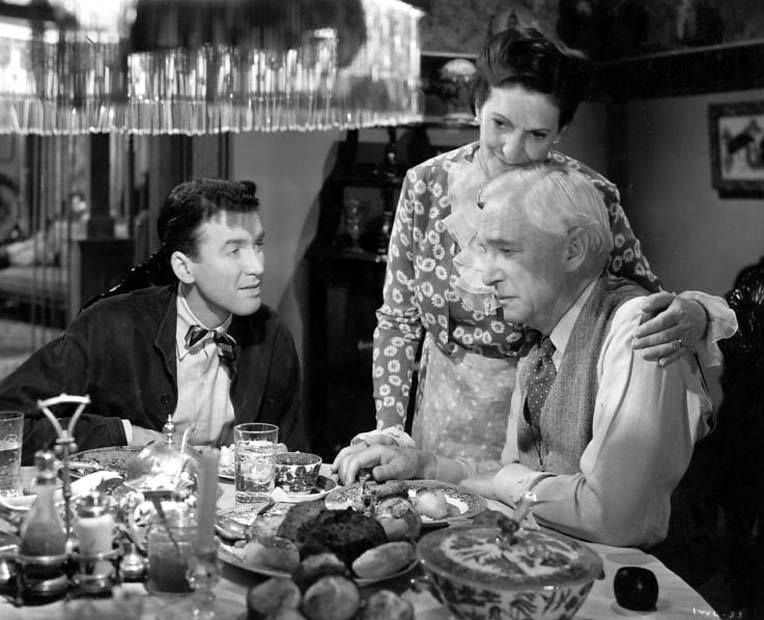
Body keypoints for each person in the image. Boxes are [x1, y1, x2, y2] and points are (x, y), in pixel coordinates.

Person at [333, 26, 735, 480]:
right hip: (442, 409)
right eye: (499, 124)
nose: (511, 150)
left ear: (561, 132)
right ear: (475, 107)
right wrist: (390, 430)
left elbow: (641, 299)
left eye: (537, 134)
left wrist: (698, 315)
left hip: (542, 413)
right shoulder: (425, 185)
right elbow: (399, 321)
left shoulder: (589, 195)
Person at [337, 164, 721, 547]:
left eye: (506, 250)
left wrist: (506, 481)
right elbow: (518, 476)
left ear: (573, 249)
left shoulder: (639, 329)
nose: (486, 276)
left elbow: (612, 517)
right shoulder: (540, 335)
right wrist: (426, 467)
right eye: (485, 251)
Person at [0, 178, 308, 464]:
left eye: (258, 244)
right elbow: (7, 424)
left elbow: (292, 453)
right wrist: (124, 435)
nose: (257, 266)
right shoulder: (109, 327)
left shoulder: (271, 336)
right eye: (234, 251)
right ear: (184, 268)